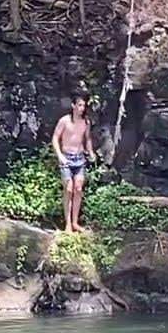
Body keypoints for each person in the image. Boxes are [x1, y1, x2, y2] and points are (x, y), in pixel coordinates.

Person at [52, 94, 97, 232]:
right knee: (69, 188)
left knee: (78, 188)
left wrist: (91, 152)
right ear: (73, 106)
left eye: (83, 106)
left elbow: (87, 139)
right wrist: (60, 156)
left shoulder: (86, 122)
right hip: (66, 157)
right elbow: (55, 138)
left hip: (79, 158)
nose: (81, 109)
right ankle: (67, 224)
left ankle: (75, 222)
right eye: (79, 105)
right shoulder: (64, 121)